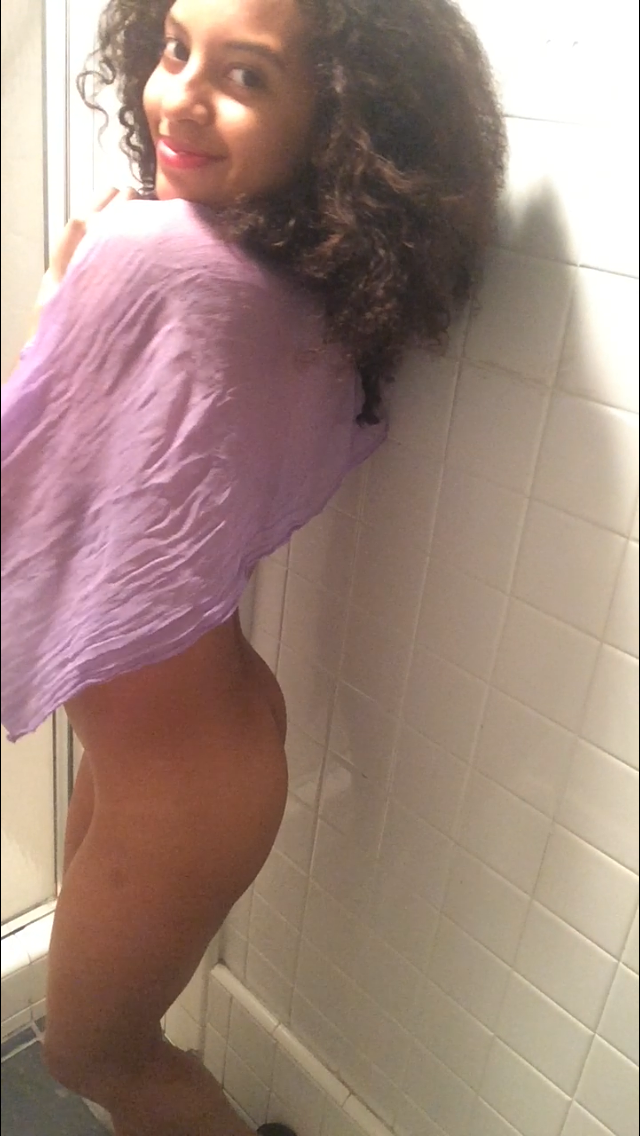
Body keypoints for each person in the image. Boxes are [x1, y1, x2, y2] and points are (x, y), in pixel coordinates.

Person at [0, 0, 505, 1132]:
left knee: (98, 1054)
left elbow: (28, 482)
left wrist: (51, 308)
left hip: (177, 779)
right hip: (196, 744)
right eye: (177, 48)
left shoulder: (151, 253)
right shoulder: (296, 281)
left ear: (335, 121)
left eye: (246, 77)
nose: (178, 96)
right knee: (112, 1035)